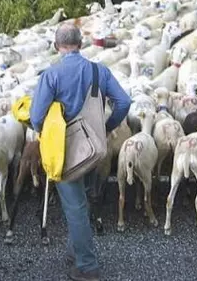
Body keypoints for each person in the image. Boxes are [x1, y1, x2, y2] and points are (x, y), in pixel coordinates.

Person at [30, 23, 131, 281]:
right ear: (81, 44)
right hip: (93, 148)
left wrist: (46, 134)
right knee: (82, 200)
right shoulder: (99, 71)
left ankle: (87, 266)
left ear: (56, 46)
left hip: (66, 151)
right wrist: (106, 128)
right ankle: (75, 250)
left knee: (74, 207)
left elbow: (36, 117)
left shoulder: (51, 75)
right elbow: (124, 102)